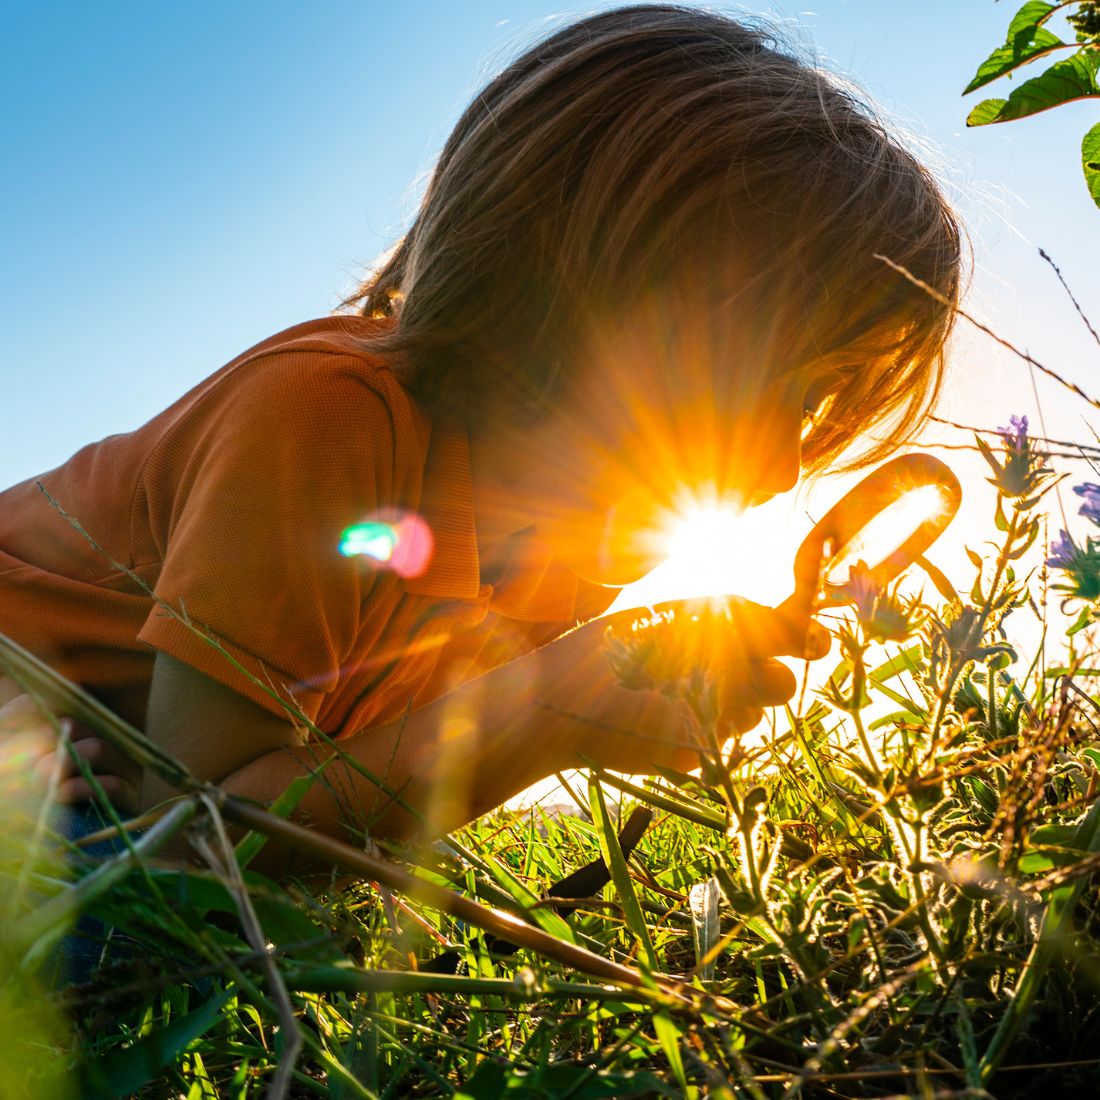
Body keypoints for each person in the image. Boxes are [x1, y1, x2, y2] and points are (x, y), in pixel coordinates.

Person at [0, 5, 961, 878]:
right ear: (579, 305)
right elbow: (195, 841)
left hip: (102, 785)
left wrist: (595, 700)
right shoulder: (324, 418)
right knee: (102, 919)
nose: (791, 464)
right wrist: (547, 711)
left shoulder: (567, 553)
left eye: (819, 407)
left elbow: (367, 782)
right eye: (774, 385)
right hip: (45, 746)